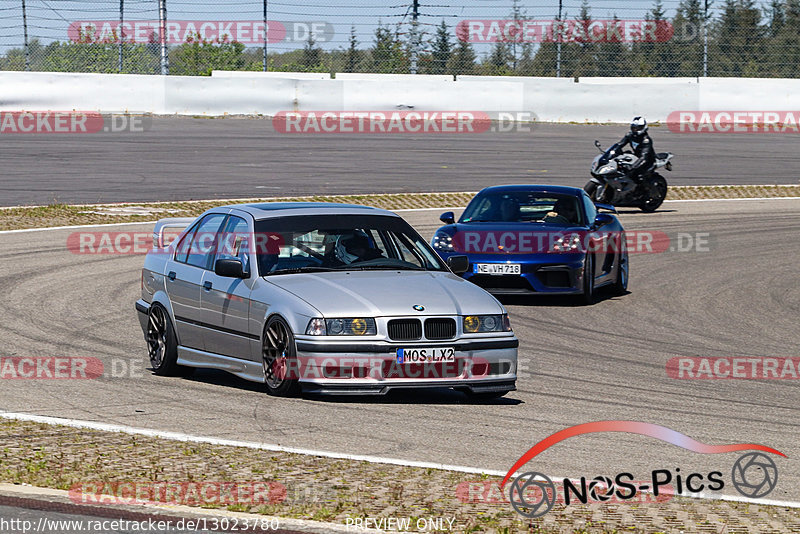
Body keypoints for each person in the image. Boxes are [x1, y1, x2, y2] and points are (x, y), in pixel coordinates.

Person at [616, 116, 656, 182]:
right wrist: (610, 152)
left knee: (637, 177)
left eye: (637, 128)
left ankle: (642, 190)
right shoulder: (630, 135)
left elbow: (644, 156)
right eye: (634, 127)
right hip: (637, 157)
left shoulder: (646, 140)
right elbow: (620, 144)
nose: (635, 129)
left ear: (643, 127)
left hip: (648, 160)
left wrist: (633, 167)